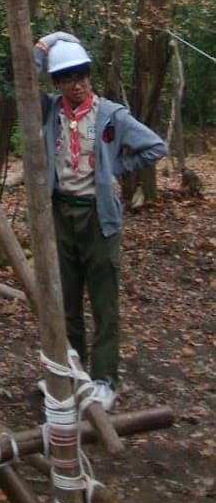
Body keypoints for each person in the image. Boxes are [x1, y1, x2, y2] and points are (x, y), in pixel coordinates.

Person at [35, 32, 168, 408]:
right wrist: (44, 46)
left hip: (99, 216)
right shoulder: (49, 111)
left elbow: (155, 146)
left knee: (104, 302)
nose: (77, 86)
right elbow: (23, 84)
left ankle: (105, 378)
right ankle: (72, 371)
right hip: (60, 212)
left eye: (82, 77)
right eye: (68, 79)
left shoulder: (110, 115)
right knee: (67, 300)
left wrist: (116, 169)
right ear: (57, 83)